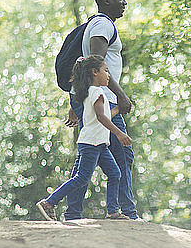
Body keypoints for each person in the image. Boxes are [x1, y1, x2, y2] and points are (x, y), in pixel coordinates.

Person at [64, 0, 143, 221]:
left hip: (95, 98)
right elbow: (94, 62)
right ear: (106, 1)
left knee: (88, 157)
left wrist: (78, 101)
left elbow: (87, 65)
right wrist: (121, 95)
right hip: (105, 100)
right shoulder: (102, 25)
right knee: (122, 154)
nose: (124, 2)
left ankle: (72, 212)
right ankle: (125, 212)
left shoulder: (98, 24)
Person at [37, 55, 133, 221]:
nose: (108, 75)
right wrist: (119, 133)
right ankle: (49, 202)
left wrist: (117, 109)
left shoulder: (91, 92)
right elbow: (102, 118)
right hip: (91, 144)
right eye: (106, 71)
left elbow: (102, 116)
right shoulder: (97, 92)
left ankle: (113, 211)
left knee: (115, 174)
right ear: (94, 72)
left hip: (99, 144)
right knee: (82, 177)